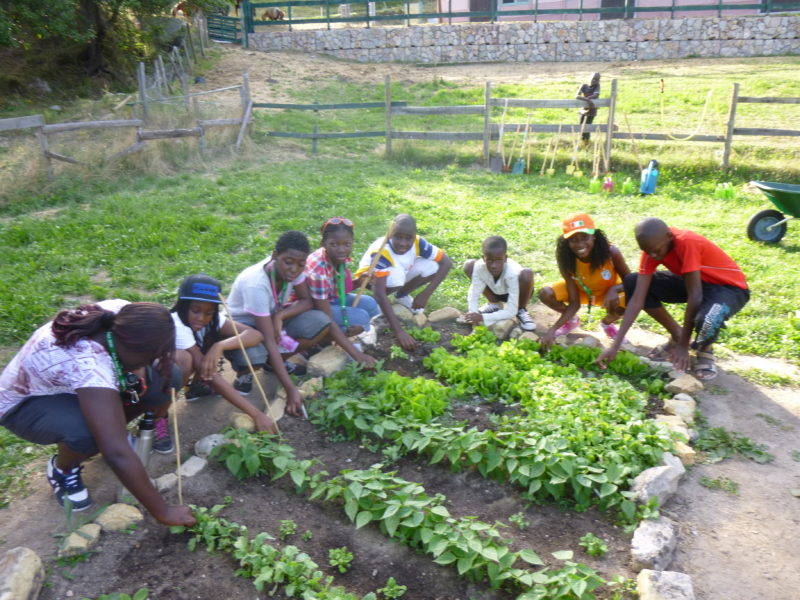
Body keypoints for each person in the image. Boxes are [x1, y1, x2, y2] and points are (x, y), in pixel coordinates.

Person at [0, 300, 195, 526]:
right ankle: (62, 470)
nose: (150, 362)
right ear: (133, 348)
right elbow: (116, 453)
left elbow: (144, 364)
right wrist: (164, 511)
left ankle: (110, 429)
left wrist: (140, 368)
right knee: (92, 435)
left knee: (165, 377)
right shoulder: (89, 366)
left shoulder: (123, 316)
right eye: (147, 357)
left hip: (69, 387)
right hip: (23, 404)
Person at [596, 218, 749, 380]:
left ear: (669, 236)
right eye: (648, 251)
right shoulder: (651, 251)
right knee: (632, 282)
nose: (653, 256)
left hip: (729, 288)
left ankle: (705, 348)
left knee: (708, 319)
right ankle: (677, 334)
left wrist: (684, 347)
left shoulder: (687, 242)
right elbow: (636, 300)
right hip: (693, 280)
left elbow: (694, 296)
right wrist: (615, 346)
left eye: (657, 250)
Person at [226, 231, 333, 416]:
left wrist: (280, 317)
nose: (294, 269)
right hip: (243, 327)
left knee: (319, 321)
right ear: (275, 256)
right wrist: (291, 390)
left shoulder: (294, 270)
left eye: (301, 264)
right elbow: (267, 338)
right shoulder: (256, 284)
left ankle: (274, 363)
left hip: (271, 318)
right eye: (288, 262)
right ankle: (246, 373)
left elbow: (306, 301)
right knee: (254, 354)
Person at [170, 274, 277, 436]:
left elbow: (255, 335)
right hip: (160, 375)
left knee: (219, 343)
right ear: (183, 306)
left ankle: (196, 387)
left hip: (196, 360)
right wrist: (256, 414)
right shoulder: (177, 324)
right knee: (185, 360)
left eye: (208, 313)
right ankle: (158, 415)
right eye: (195, 310)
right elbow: (211, 375)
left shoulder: (213, 319)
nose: (202, 318)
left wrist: (219, 346)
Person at [355, 214, 452, 351]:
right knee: (396, 278)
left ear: (414, 236)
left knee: (433, 266)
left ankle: (401, 295)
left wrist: (425, 294)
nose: (402, 243)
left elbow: (446, 262)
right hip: (373, 282)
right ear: (390, 234)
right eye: (398, 237)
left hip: (399, 272)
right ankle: (378, 306)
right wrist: (399, 332)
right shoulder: (381, 253)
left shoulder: (418, 243)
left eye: (408, 238)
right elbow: (380, 293)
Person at [539, 213, 630, 350]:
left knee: (630, 298)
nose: (580, 244)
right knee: (546, 293)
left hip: (608, 294)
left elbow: (632, 281)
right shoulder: (566, 258)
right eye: (573, 240)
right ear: (567, 241)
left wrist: (614, 290)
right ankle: (572, 321)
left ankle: (607, 324)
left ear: (594, 236)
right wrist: (553, 329)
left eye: (584, 237)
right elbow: (574, 303)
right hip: (580, 291)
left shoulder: (611, 253)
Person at [304, 218, 377, 366]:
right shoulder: (318, 268)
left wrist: (359, 282)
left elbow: (336, 291)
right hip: (310, 310)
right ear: (323, 244)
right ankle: (316, 343)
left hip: (327, 300)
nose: (341, 249)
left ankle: (352, 335)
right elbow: (326, 317)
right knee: (361, 317)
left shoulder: (337, 258)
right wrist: (357, 354)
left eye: (347, 244)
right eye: (334, 244)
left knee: (370, 303)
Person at [462, 235, 535, 332]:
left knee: (527, 273)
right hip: (495, 291)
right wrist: (473, 313)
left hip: (518, 293)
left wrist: (482, 317)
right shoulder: (479, 267)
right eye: (489, 260)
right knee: (469, 265)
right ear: (484, 258)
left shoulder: (512, 272)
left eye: (498, 260)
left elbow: (510, 312)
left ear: (505, 258)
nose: (494, 266)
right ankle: (494, 304)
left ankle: (521, 310)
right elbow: (474, 292)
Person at [576, 72, 600, 143]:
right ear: (590, 77)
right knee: (581, 126)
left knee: (587, 127)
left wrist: (587, 99)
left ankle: (587, 142)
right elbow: (577, 96)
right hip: (583, 110)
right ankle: (582, 141)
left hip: (591, 110)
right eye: (594, 79)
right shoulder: (584, 86)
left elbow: (596, 95)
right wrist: (587, 100)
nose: (595, 81)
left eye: (597, 80)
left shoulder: (597, 86)